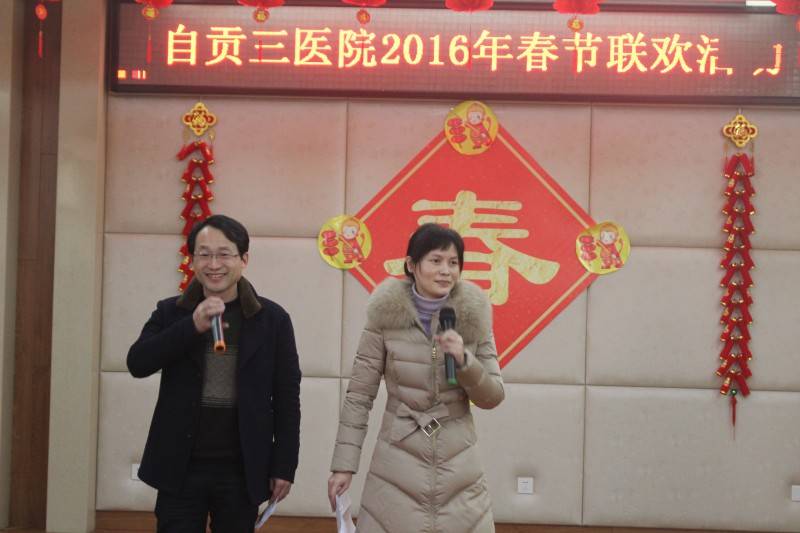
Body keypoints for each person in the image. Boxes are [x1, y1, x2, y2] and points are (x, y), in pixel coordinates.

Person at [127, 214, 301, 533]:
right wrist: (191, 326)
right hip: (180, 465)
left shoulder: (273, 320)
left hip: (242, 467)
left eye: (224, 254)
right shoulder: (171, 312)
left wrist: (284, 465)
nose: (214, 264)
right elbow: (137, 363)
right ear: (193, 260)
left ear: (244, 259)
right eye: (204, 254)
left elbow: (287, 398)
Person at [328, 223, 505, 533]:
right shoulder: (383, 318)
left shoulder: (473, 316)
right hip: (396, 461)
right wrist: (344, 466)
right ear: (411, 265)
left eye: (453, 262)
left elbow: (492, 396)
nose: (446, 271)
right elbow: (359, 396)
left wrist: (464, 360)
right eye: (436, 260)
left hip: (459, 464)